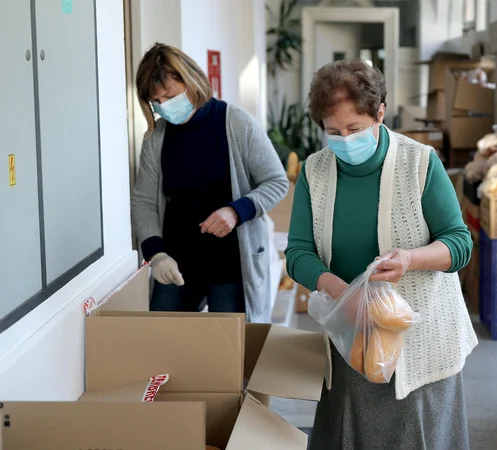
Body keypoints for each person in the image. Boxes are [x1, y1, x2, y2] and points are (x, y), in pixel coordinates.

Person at [285, 59, 478, 449]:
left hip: (419, 340)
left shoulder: (419, 163)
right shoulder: (314, 172)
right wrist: (342, 293)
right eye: (333, 132)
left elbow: (459, 243)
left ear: (379, 113)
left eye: (355, 129)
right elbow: (298, 253)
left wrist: (410, 259)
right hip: (351, 339)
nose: (344, 140)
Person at [131, 43, 288, 322]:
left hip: (230, 267)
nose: (164, 107)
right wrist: (156, 255)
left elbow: (276, 181)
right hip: (176, 264)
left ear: (191, 83)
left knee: (229, 353)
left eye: (170, 96)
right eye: (156, 101)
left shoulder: (237, 124)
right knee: (163, 343)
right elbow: (143, 201)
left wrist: (235, 211)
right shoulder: (156, 139)